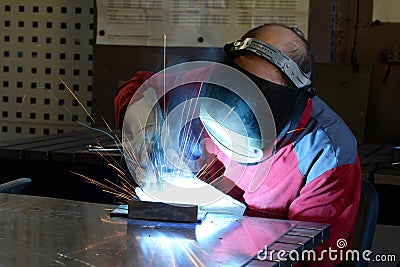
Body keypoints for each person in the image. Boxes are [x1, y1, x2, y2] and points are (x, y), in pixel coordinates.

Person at [114, 23, 361, 266]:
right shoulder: (203, 83)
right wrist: (150, 129)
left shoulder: (328, 156)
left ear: (291, 107)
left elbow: (314, 259)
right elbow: (136, 88)